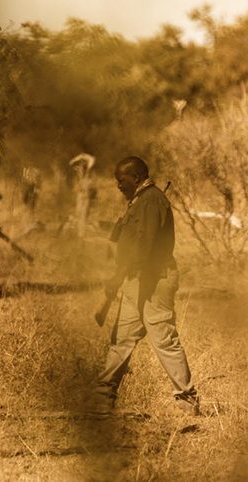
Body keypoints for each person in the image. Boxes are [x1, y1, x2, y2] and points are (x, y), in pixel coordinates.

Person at [93, 156, 200, 415]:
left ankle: (187, 401)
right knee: (122, 339)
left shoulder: (152, 202)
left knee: (163, 339)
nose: (118, 185)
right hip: (136, 281)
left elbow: (144, 247)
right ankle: (103, 398)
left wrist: (118, 276)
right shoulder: (140, 202)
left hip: (155, 280)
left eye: (122, 180)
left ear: (137, 177)